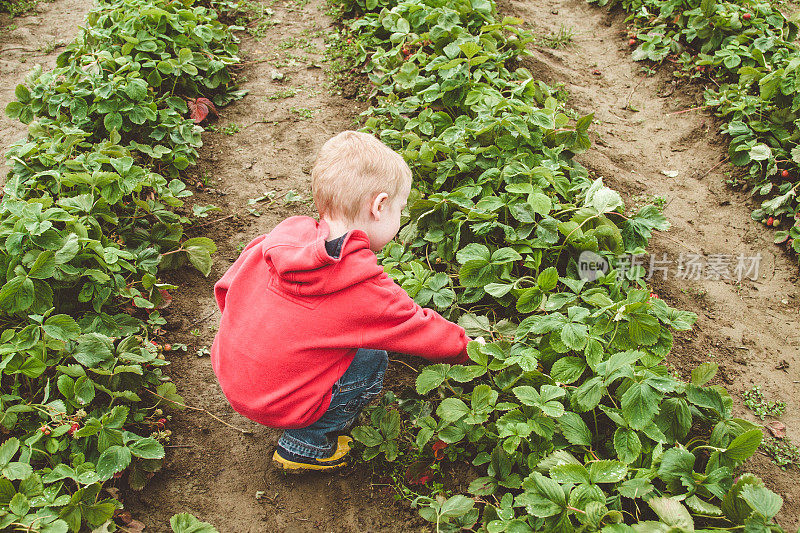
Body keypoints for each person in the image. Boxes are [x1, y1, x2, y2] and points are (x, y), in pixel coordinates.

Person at [210, 131, 472, 472]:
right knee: (372, 357)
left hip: (232, 375)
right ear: (379, 207)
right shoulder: (362, 289)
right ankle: (308, 446)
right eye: (400, 211)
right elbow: (420, 328)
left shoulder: (278, 242)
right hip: (279, 403)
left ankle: (285, 399)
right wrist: (475, 350)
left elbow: (226, 289)